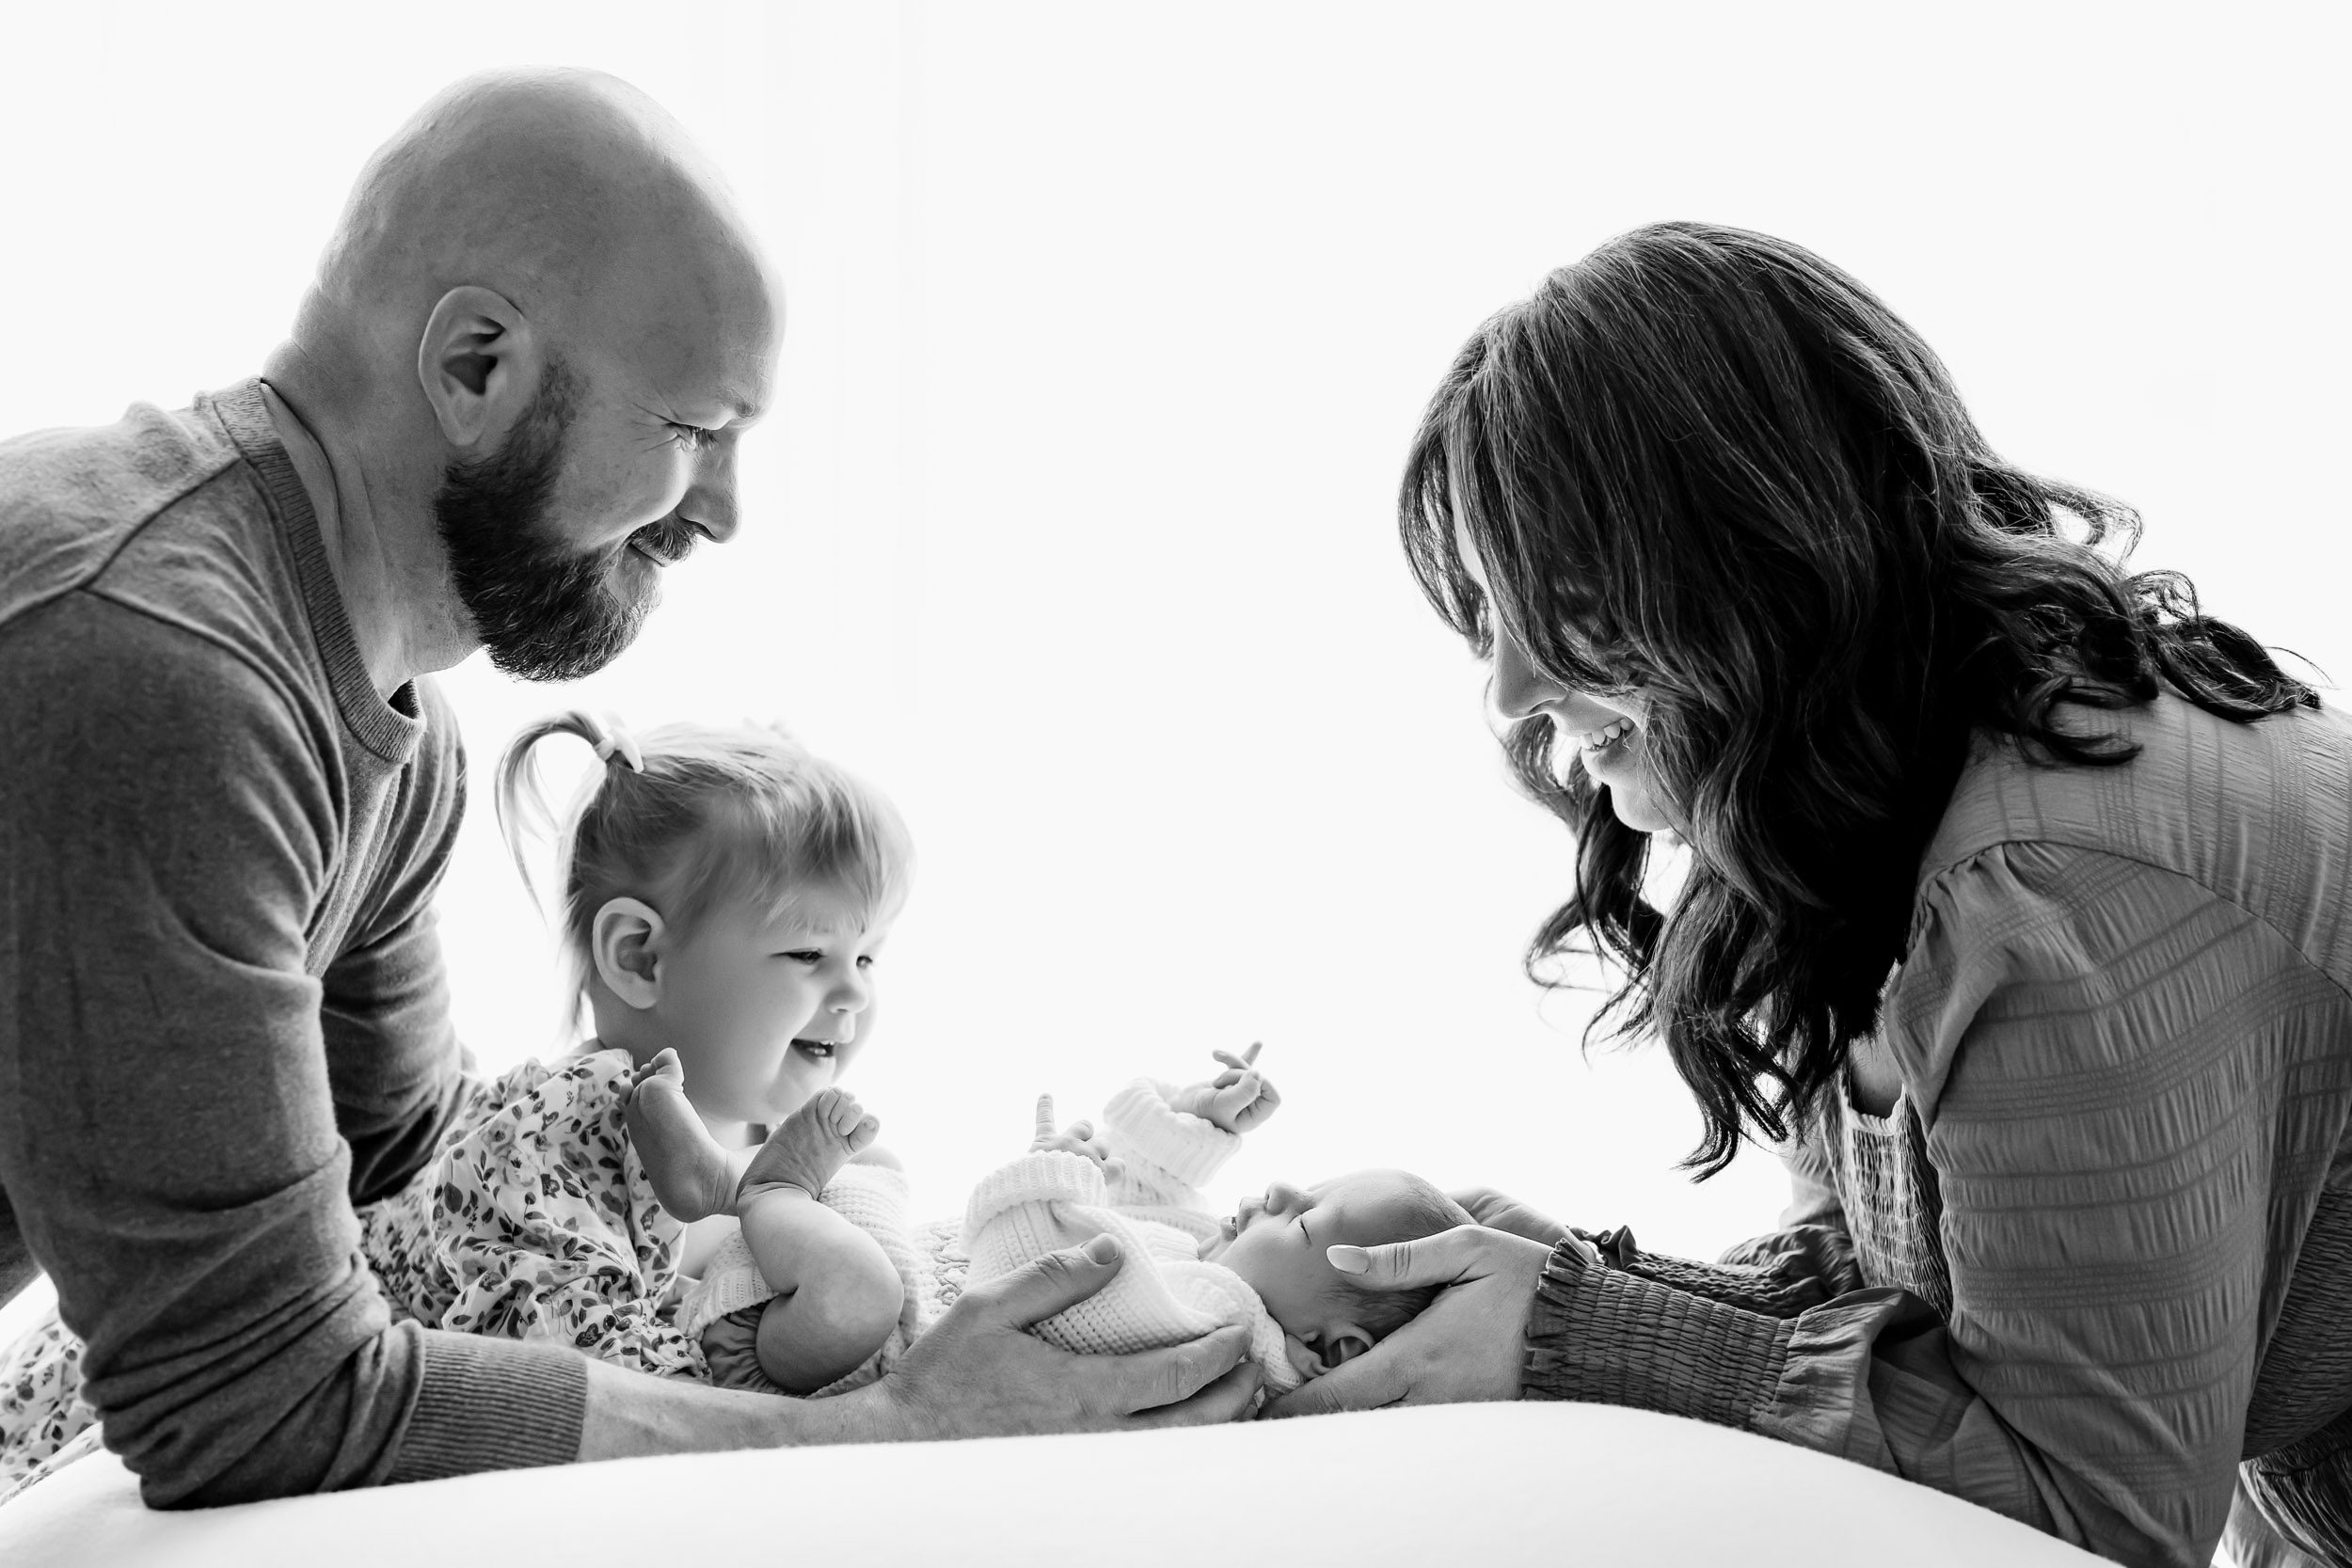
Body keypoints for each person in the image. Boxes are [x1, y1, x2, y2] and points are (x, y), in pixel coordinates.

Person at [0, 69, 1254, 1510]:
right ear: (477, 365)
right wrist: (907, 1422)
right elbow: (255, 1394)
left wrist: (861, 1255)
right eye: (694, 428)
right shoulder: (154, 669)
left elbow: (418, 1185)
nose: (725, 510)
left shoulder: (384, 737)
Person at [1265, 221, 2352, 1568]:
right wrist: (1576, 1278)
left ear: (1755, 557)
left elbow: (2099, 1521)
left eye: (1565, 603)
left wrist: (1570, 1331)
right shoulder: (1896, 811)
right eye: (1490, 616)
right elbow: (1911, 1311)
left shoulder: (2056, 881)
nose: (1511, 693)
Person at [947, 1053, 1471, 1403]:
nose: (1281, 1189)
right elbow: (1150, 1206)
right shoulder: (1223, 1280)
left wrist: (1044, 1182)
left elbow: (1018, 1295)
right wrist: (1193, 1124)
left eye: (1305, 1220)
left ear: (1336, 1350)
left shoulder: (1220, 1329)